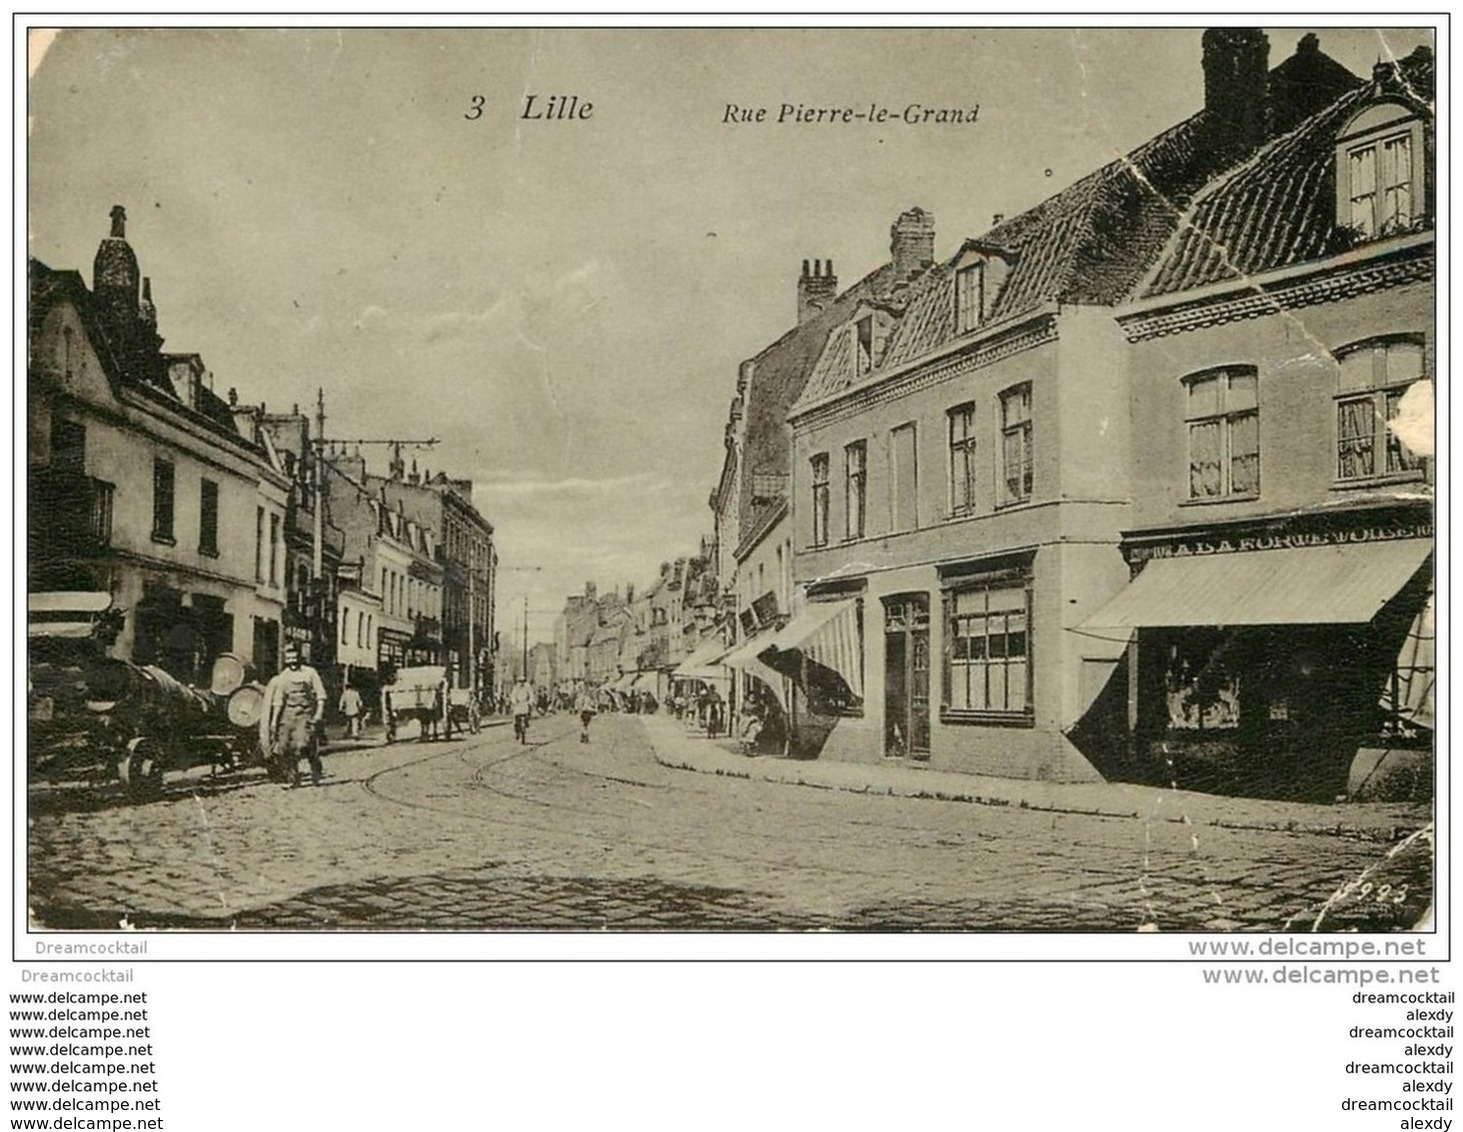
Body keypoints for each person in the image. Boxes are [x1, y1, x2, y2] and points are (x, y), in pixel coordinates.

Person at [265, 644, 327, 787]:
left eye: (294, 658)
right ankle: (293, 779)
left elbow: (321, 695)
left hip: (305, 714)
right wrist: (274, 721)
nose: (292, 661)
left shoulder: (310, 673)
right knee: (284, 748)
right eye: (289, 658)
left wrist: (318, 714)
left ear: (300, 658)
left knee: (303, 746)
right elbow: (278, 701)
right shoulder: (283, 676)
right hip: (288, 715)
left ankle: (316, 768)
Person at [509, 678, 534, 743]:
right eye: (520, 681)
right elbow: (513, 696)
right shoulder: (516, 688)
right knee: (515, 720)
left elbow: (531, 695)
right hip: (518, 704)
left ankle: (526, 723)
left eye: (523, 681)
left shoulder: (527, 687)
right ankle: (517, 732)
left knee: (526, 716)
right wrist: (514, 702)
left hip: (525, 704)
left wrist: (530, 702)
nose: (521, 683)